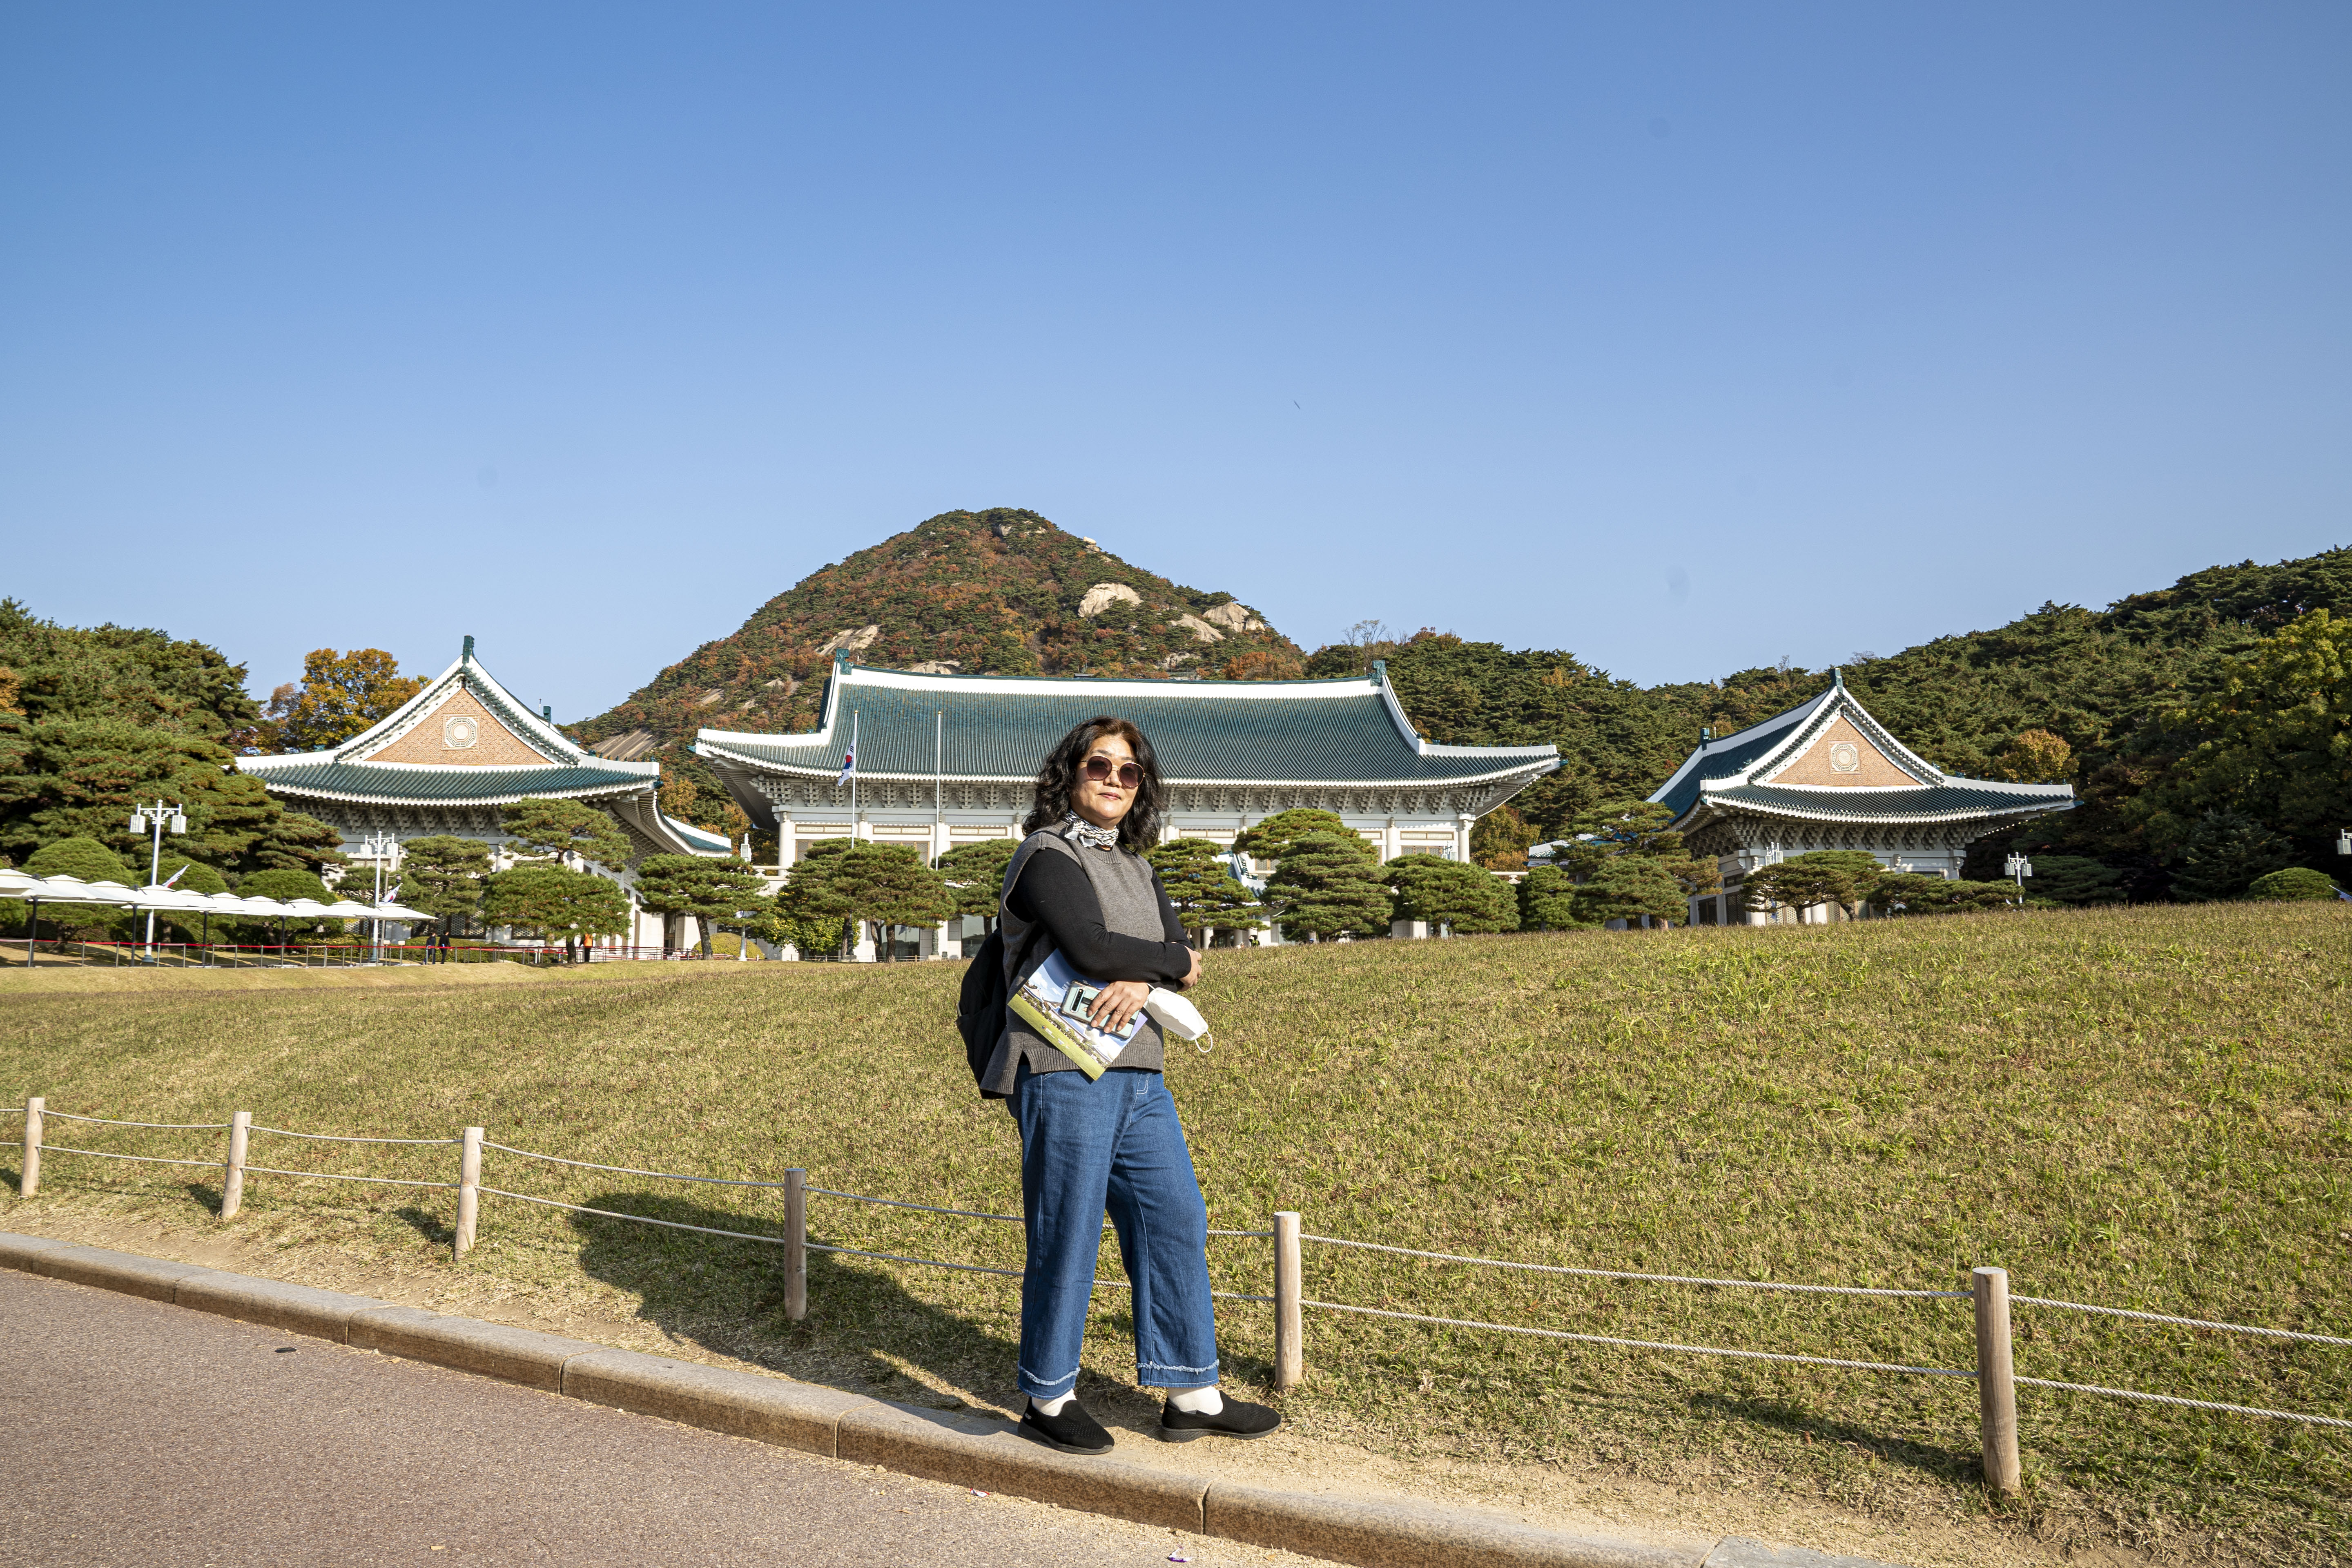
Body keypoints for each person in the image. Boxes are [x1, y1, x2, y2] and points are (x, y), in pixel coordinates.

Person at [981, 714, 1283, 1455]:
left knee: (1174, 1215)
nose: (1113, 780)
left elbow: (1176, 953)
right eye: (1099, 765)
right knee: (1069, 1230)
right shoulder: (1045, 854)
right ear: (1069, 773)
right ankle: (1047, 1396)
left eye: (1129, 770)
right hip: (1064, 1066)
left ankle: (1192, 1393)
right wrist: (1164, 965)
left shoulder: (1141, 869)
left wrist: (1146, 975)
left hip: (1142, 1068)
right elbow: (1095, 948)